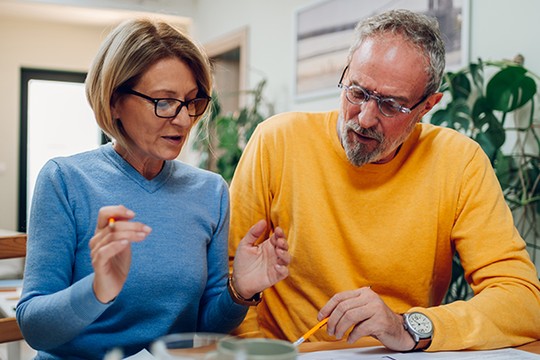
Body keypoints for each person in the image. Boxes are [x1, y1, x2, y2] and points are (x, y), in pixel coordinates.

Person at [228, 9, 540, 352]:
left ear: (427, 106)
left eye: (391, 106)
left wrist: (408, 327)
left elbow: (523, 299)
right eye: (358, 92)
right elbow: (231, 274)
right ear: (346, 72)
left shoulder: (458, 161)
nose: (364, 118)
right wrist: (255, 352)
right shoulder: (277, 140)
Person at [16, 18, 290, 359]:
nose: (184, 119)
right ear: (115, 101)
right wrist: (98, 289)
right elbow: (34, 329)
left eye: (192, 102)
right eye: (164, 101)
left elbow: (203, 329)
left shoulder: (211, 192)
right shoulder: (64, 180)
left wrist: (239, 291)